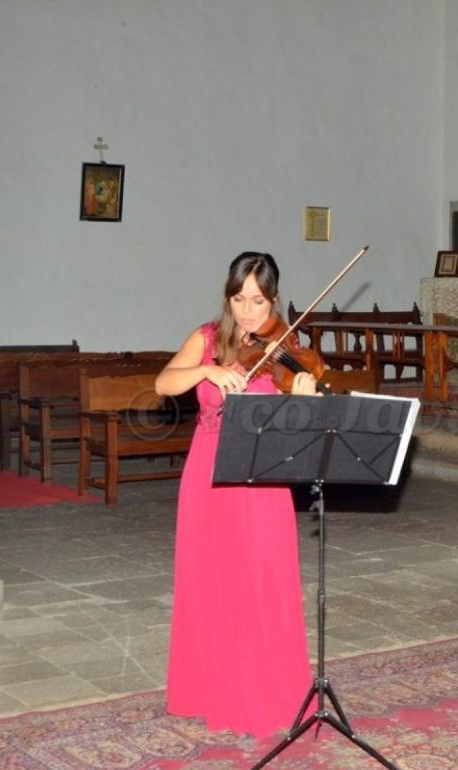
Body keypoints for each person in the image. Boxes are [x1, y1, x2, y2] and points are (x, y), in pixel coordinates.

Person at [155, 251, 317, 738]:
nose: (249, 311)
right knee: (211, 580)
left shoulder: (287, 347)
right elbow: (163, 384)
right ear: (228, 297)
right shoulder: (206, 338)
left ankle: (267, 693)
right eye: (240, 299)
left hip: (262, 476)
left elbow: (298, 429)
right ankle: (210, 689)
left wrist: (304, 398)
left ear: (274, 300)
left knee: (264, 580)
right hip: (208, 474)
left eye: (259, 300)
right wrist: (206, 372)